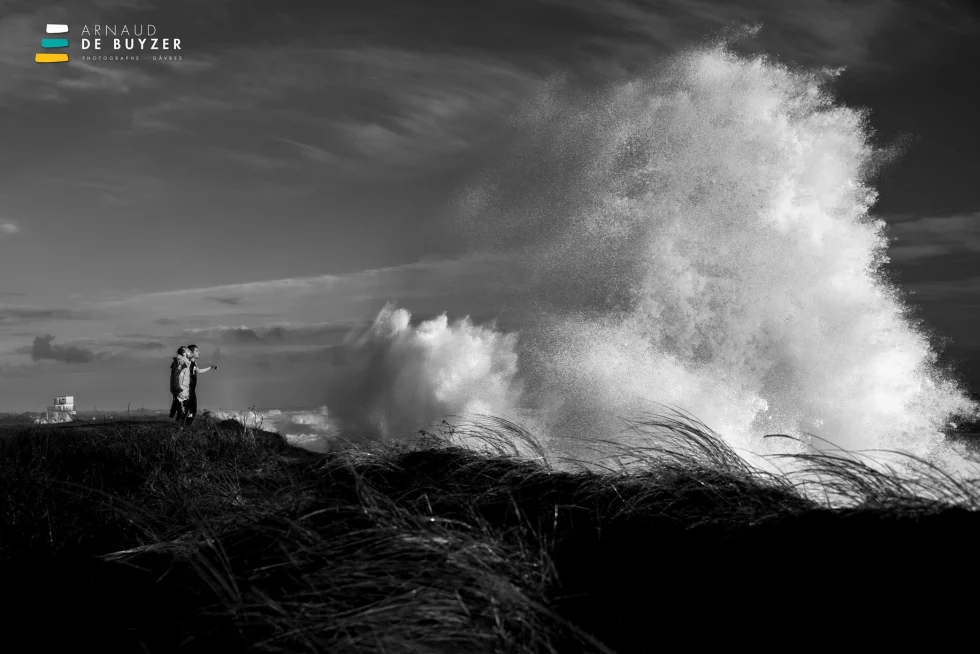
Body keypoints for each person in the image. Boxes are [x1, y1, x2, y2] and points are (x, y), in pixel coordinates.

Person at [183, 344, 218, 425]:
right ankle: (181, 427)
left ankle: (186, 426)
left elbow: (198, 371)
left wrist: (210, 368)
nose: (199, 353)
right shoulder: (187, 363)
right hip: (187, 390)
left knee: (193, 411)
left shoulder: (194, 363)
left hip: (192, 390)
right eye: (197, 351)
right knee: (185, 411)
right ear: (191, 353)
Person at [169, 346, 192, 423]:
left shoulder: (184, 362)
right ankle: (177, 431)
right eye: (188, 350)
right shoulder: (180, 362)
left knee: (185, 412)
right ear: (184, 353)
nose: (190, 351)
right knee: (181, 413)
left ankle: (180, 430)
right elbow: (175, 377)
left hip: (184, 391)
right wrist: (178, 390)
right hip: (180, 391)